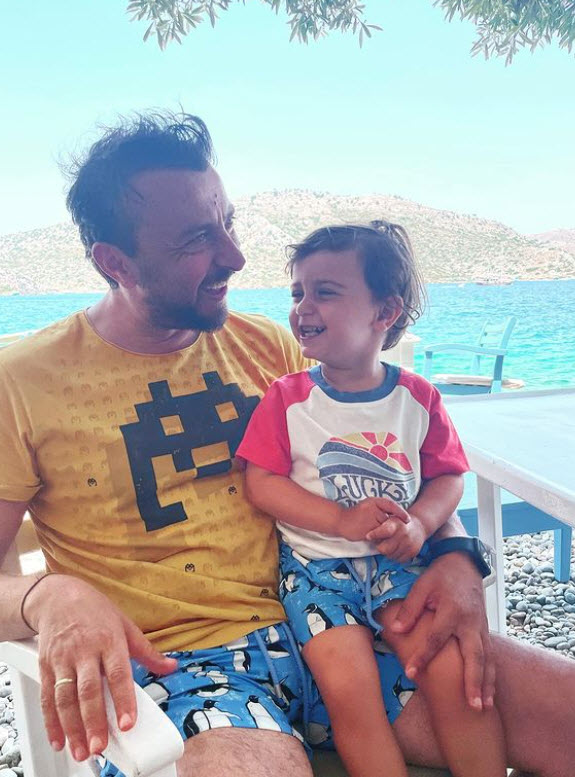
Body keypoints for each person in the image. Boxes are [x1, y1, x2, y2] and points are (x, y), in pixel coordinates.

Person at [0, 111, 573, 777]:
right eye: (197, 239)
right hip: (186, 669)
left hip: (353, 617)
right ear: (115, 262)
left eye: (228, 224)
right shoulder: (22, 382)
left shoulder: (272, 348)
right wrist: (49, 597)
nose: (235, 257)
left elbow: (399, 466)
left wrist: (456, 554)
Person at [237, 220, 507, 777]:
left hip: (401, 564)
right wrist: (339, 520)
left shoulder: (417, 397)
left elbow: (448, 476)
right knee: (350, 694)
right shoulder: (287, 399)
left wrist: (421, 524)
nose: (303, 307)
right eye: (298, 292)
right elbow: (261, 483)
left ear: (385, 312)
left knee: (454, 673)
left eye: (325, 292)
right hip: (316, 571)